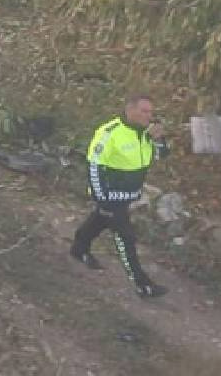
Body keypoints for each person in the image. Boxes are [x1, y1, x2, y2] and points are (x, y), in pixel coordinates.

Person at [70, 95, 172, 298]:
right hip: (110, 195)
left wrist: (159, 139)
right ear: (130, 110)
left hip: (129, 195)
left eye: (151, 112)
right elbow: (94, 166)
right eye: (145, 111)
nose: (149, 116)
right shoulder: (110, 133)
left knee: (99, 220)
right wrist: (102, 198)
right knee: (125, 237)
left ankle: (79, 248)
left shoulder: (145, 133)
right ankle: (143, 285)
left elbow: (160, 156)